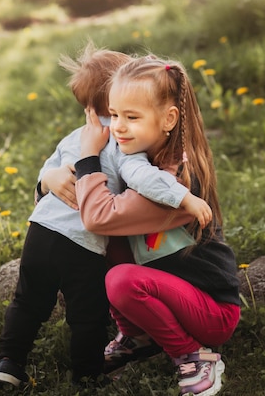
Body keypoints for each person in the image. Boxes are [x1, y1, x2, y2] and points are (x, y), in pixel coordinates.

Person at [0, 43, 212, 390]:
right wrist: (184, 197)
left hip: (40, 231)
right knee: (87, 314)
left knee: (28, 300)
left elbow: (48, 172)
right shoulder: (125, 142)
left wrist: (46, 180)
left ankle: (9, 361)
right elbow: (143, 178)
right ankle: (88, 374)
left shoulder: (77, 136)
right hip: (79, 243)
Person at [73, 54, 241, 396]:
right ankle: (137, 336)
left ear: (168, 119)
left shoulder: (176, 181)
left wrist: (88, 162)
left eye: (132, 117)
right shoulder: (138, 159)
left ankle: (194, 354)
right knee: (94, 246)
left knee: (119, 277)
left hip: (211, 312)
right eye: (115, 114)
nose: (118, 126)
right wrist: (49, 179)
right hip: (168, 294)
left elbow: (95, 216)